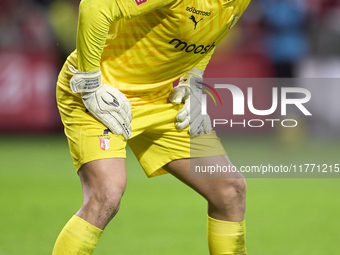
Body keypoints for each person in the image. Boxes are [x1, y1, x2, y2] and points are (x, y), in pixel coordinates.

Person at [53, 0, 251, 254]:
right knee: (106, 195)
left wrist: (194, 76)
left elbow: (211, 30)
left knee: (229, 190)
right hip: (103, 91)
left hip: (159, 96)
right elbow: (95, 6)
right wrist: (90, 81)